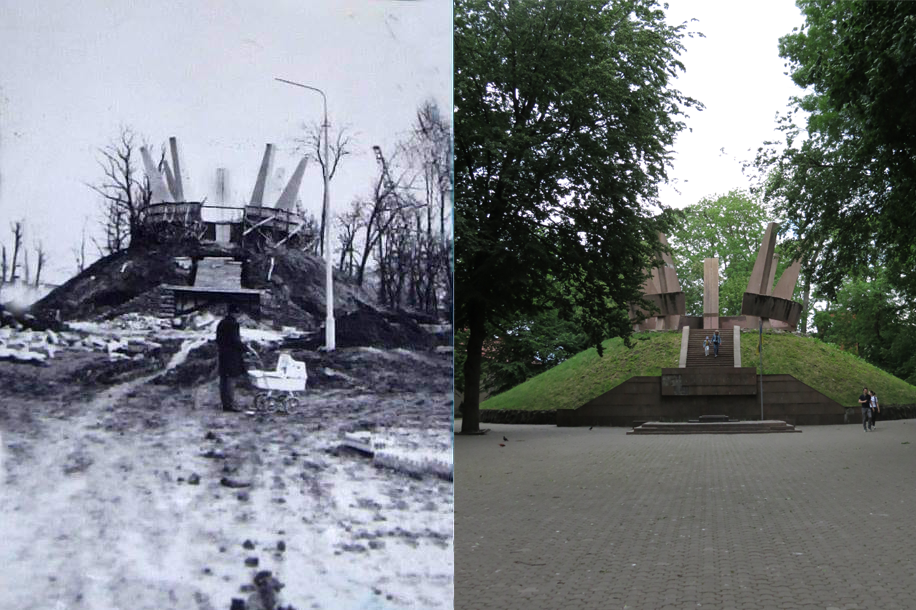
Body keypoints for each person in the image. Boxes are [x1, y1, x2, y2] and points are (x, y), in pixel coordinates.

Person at [216, 303, 247, 412]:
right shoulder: (233, 324)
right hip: (232, 356)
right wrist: (245, 348)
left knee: (223, 379)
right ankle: (230, 405)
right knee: (231, 379)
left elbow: (219, 340)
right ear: (235, 313)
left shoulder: (221, 323)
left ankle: (225, 403)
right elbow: (235, 341)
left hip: (222, 354)